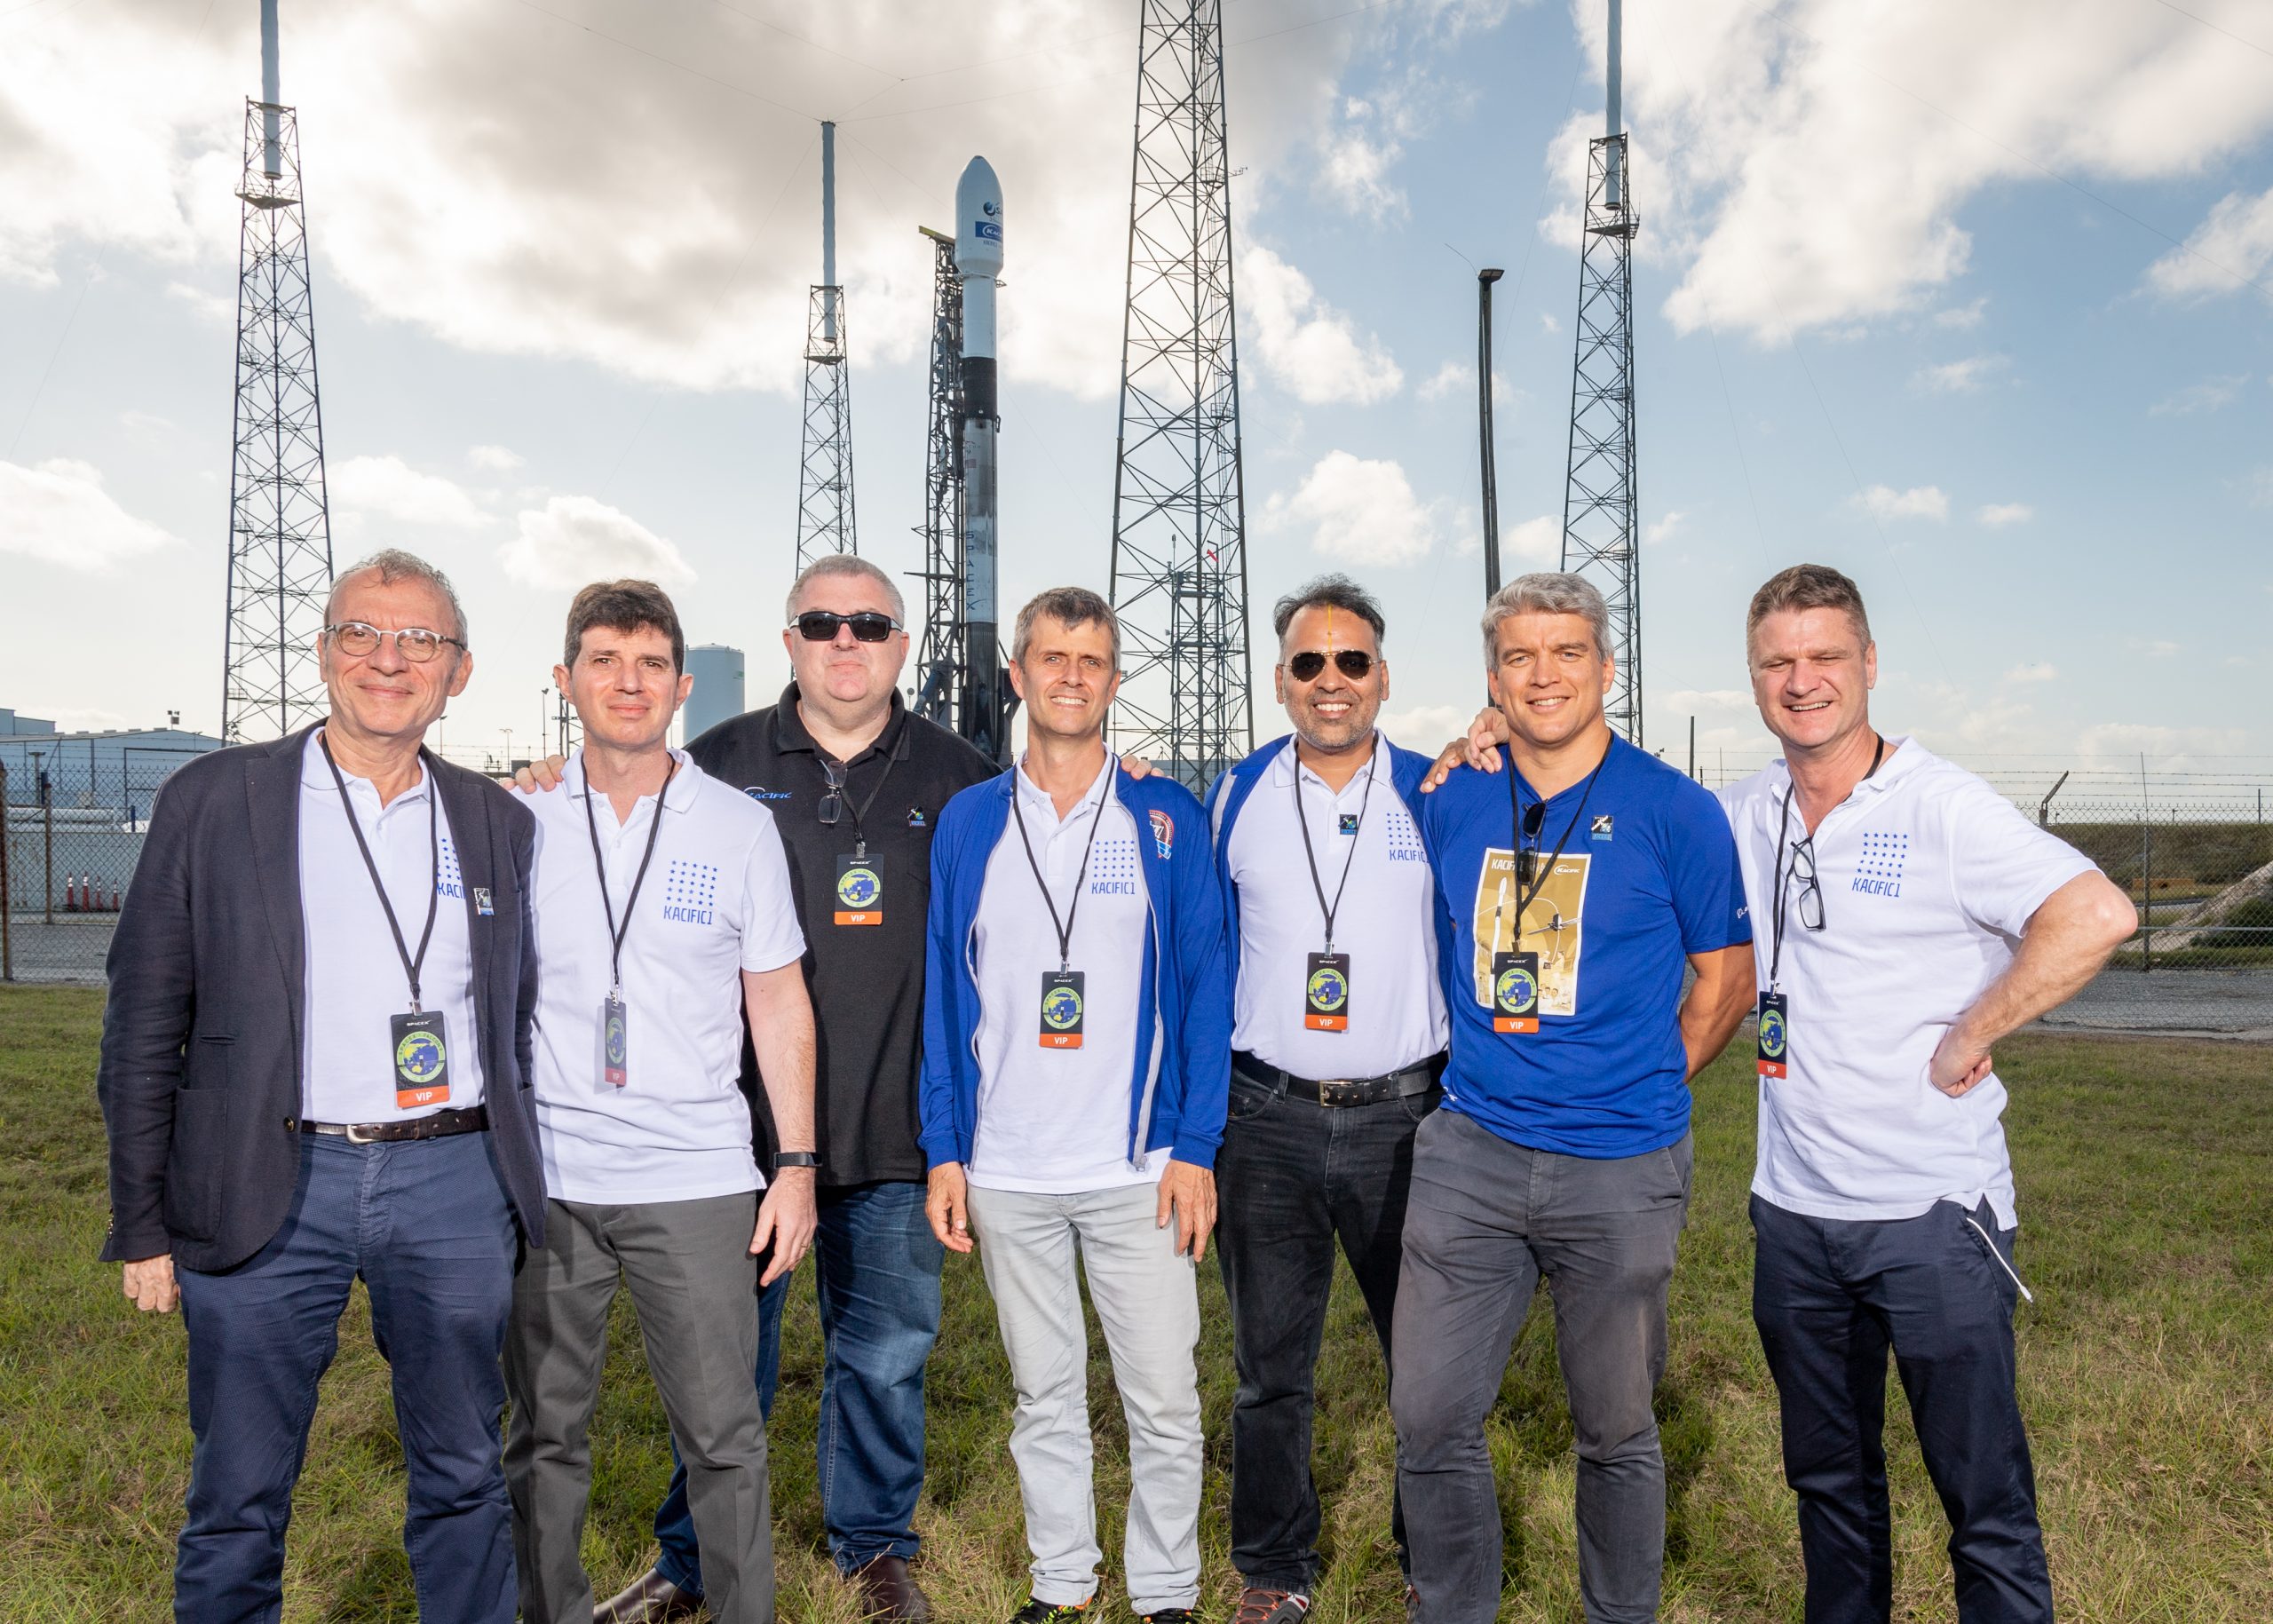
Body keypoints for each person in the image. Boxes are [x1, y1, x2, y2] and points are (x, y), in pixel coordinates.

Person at [524, 554, 994, 1623]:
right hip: (736, 1140)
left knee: (884, 1354)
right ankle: (690, 1561)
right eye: (820, 621)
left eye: (868, 623)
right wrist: (538, 781)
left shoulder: (960, 775)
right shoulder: (719, 762)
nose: (844, 639)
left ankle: (872, 1545)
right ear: (787, 640)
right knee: (723, 1374)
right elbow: (615, 801)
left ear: (900, 646)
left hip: (893, 1124)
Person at [98, 549, 543, 1623]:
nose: (388, 660)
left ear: (460, 671)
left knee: (465, 1470)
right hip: (267, 1172)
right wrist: (141, 1218)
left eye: (419, 640)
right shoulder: (216, 798)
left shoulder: (498, 820)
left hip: (450, 1174)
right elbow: (145, 1014)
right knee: (239, 1489)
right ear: (322, 649)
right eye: (362, 633)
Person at [1719, 565, 2134, 1624]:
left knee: (1981, 1501)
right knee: (1828, 1488)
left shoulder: (1939, 803)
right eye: (1778, 660)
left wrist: (1972, 1027)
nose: (1801, 678)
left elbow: (2094, 913)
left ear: (1867, 664)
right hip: (1796, 1216)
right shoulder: (1744, 809)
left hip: (1930, 1219)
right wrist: (1494, 730)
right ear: (1755, 675)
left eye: (1823, 655)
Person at [1398, 572, 1755, 1624]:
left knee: (1614, 1423)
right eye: (1518, 656)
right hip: (1471, 1149)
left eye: (1564, 653)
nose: (1541, 674)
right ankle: (1453, 1608)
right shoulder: (1450, 790)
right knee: (1428, 1415)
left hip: (1619, 1161)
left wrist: (1638, 1079)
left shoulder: (1673, 808)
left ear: (1607, 667)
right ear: (1492, 677)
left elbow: (1724, 977)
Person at [501, 582, 818, 1624]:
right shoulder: (517, 814)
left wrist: (799, 1166)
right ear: (566, 680)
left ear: (680, 686)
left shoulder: (736, 826)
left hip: (697, 1177)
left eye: (647, 665)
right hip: (549, 1179)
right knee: (542, 1434)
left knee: (723, 1436)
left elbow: (776, 1000)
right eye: (603, 660)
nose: (625, 683)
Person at [919, 587, 1231, 1624]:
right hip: (1007, 1165)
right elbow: (941, 987)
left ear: (1112, 677)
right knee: (1042, 1395)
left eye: (1091, 659)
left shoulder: (1162, 814)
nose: (1069, 676)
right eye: (1050, 657)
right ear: (1017, 673)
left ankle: (1167, 1588)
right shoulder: (970, 821)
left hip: (1137, 1165)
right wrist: (945, 1148)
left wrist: (1195, 1141)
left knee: (1165, 1399)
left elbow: (1204, 982)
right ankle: (1062, 1579)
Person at [1203, 574, 1450, 1624]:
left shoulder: (1443, 788)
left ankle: (1429, 1557)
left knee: (1427, 1367)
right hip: (1265, 1117)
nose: (1331, 680)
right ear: (1280, 681)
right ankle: (1272, 1564)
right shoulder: (1230, 794)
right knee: (1271, 1367)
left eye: (1352, 660)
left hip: (1409, 1116)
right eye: (1310, 662)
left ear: (1383, 676)